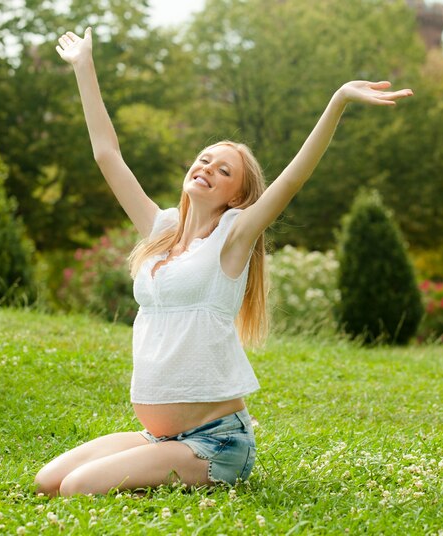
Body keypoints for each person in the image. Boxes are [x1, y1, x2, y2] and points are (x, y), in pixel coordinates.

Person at [34, 27, 413, 497]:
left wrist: (337, 101)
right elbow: (106, 153)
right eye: (204, 159)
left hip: (216, 443)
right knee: (47, 481)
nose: (207, 168)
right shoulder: (159, 230)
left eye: (223, 170)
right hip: (162, 436)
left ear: (239, 196)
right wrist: (84, 67)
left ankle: (192, 468)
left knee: (75, 489)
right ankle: (153, 460)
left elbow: (293, 179)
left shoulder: (233, 239)